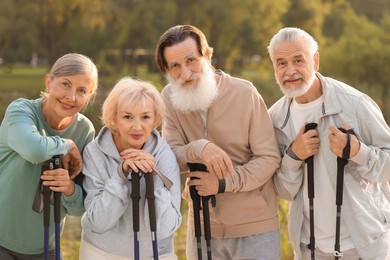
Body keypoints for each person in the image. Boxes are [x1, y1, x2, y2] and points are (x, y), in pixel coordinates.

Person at [156, 24, 281, 260]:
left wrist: (223, 183)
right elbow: (170, 157)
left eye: (191, 60)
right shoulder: (168, 99)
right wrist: (199, 148)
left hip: (256, 230)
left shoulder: (245, 93)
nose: (185, 73)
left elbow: (269, 158)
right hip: (201, 229)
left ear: (207, 56)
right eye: (175, 66)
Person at [268, 27, 390, 260]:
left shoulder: (354, 104)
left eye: (298, 60)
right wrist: (293, 157)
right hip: (309, 251)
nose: (290, 71)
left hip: (366, 246)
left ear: (315, 61)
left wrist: (358, 152)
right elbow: (283, 191)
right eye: (281, 63)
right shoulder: (274, 119)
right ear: (274, 68)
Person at [0, 53, 98, 259]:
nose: (71, 97)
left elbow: (79, 207)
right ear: (48, 81)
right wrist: (66, 144)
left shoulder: (84, 130)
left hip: (45, 248)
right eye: (65, 84)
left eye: (82, 90)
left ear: (90, 96)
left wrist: (69, 188)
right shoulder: (21, 110)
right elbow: (33, 149)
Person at [79, 77, 182, 260]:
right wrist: (120, 176)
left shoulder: (164, 154)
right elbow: (99, 222)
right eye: (127, 117)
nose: (137, 127)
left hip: (157, 254)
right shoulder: (95, 152)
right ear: (114, 118)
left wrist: (154, 174)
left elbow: (166, 227)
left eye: (145, 117)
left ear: (155, 119)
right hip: (101, 253)